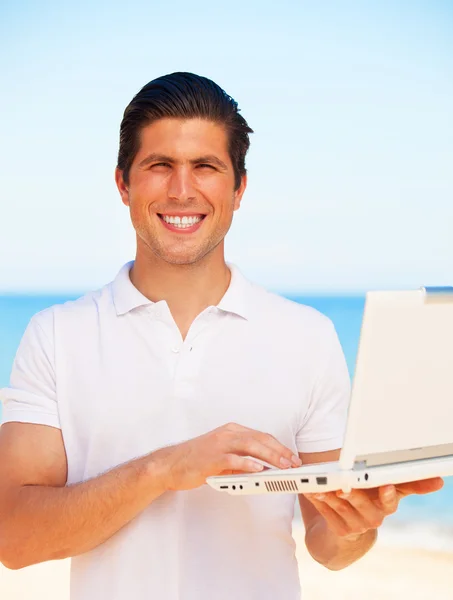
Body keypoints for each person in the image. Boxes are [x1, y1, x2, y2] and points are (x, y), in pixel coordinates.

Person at [0, 72, 442, 600]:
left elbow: (329, 545)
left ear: (239, 188)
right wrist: (166, 467)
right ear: (123, 183)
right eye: (160, 166)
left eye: (205, 167)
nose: (182, 190)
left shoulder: (307, 336)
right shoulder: (56, 336)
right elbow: (14, 537)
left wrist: (359, 523)